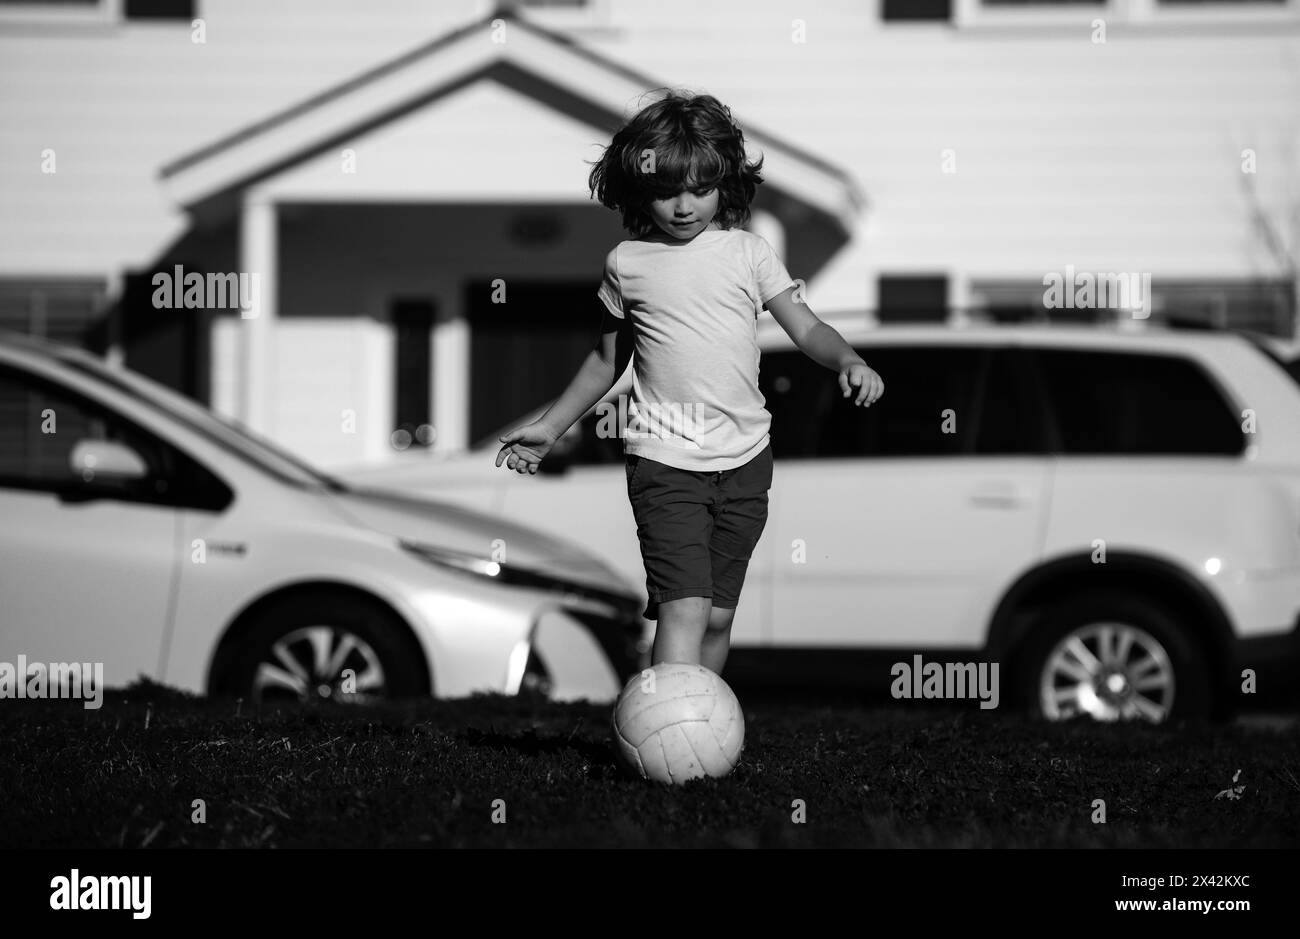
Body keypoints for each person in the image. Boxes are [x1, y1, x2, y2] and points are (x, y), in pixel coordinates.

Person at [495, 90, 883, 674]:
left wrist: (849, 359)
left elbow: (807, 328)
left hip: (746, 458)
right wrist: (551, 428)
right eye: (666, 190)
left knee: (719, 618)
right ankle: (664, 744)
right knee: (684, 608)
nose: (683, 206)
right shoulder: (628, 264)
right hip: (664, 458)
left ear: (724, 184)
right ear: (637, 189)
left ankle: (697, 740)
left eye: (700, 189)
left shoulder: (750, 254)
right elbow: (607, 360)